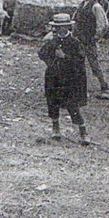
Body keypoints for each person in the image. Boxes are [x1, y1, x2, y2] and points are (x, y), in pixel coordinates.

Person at [38, 14, 90, 146]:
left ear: (68, 27)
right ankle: (56, 128)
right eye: (57, 27)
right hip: (53, 77)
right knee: (53, 102)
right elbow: (42, 54)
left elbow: (80, 61)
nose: (60, 30)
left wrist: (64, 56)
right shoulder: (52, 41)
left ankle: (83, 132)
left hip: (70, 79)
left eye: (63, 27)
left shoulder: (75, 42)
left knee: (72, 105)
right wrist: (51, 61)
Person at [74, 0, 109, 100]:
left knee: (94, 64)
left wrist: (95, 37)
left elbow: (103, 25)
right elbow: (76, 21)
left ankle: (105, 88)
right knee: (78, 64)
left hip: (89, 41)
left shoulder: (96, 7)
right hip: (79, 40)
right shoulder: (81, 5)